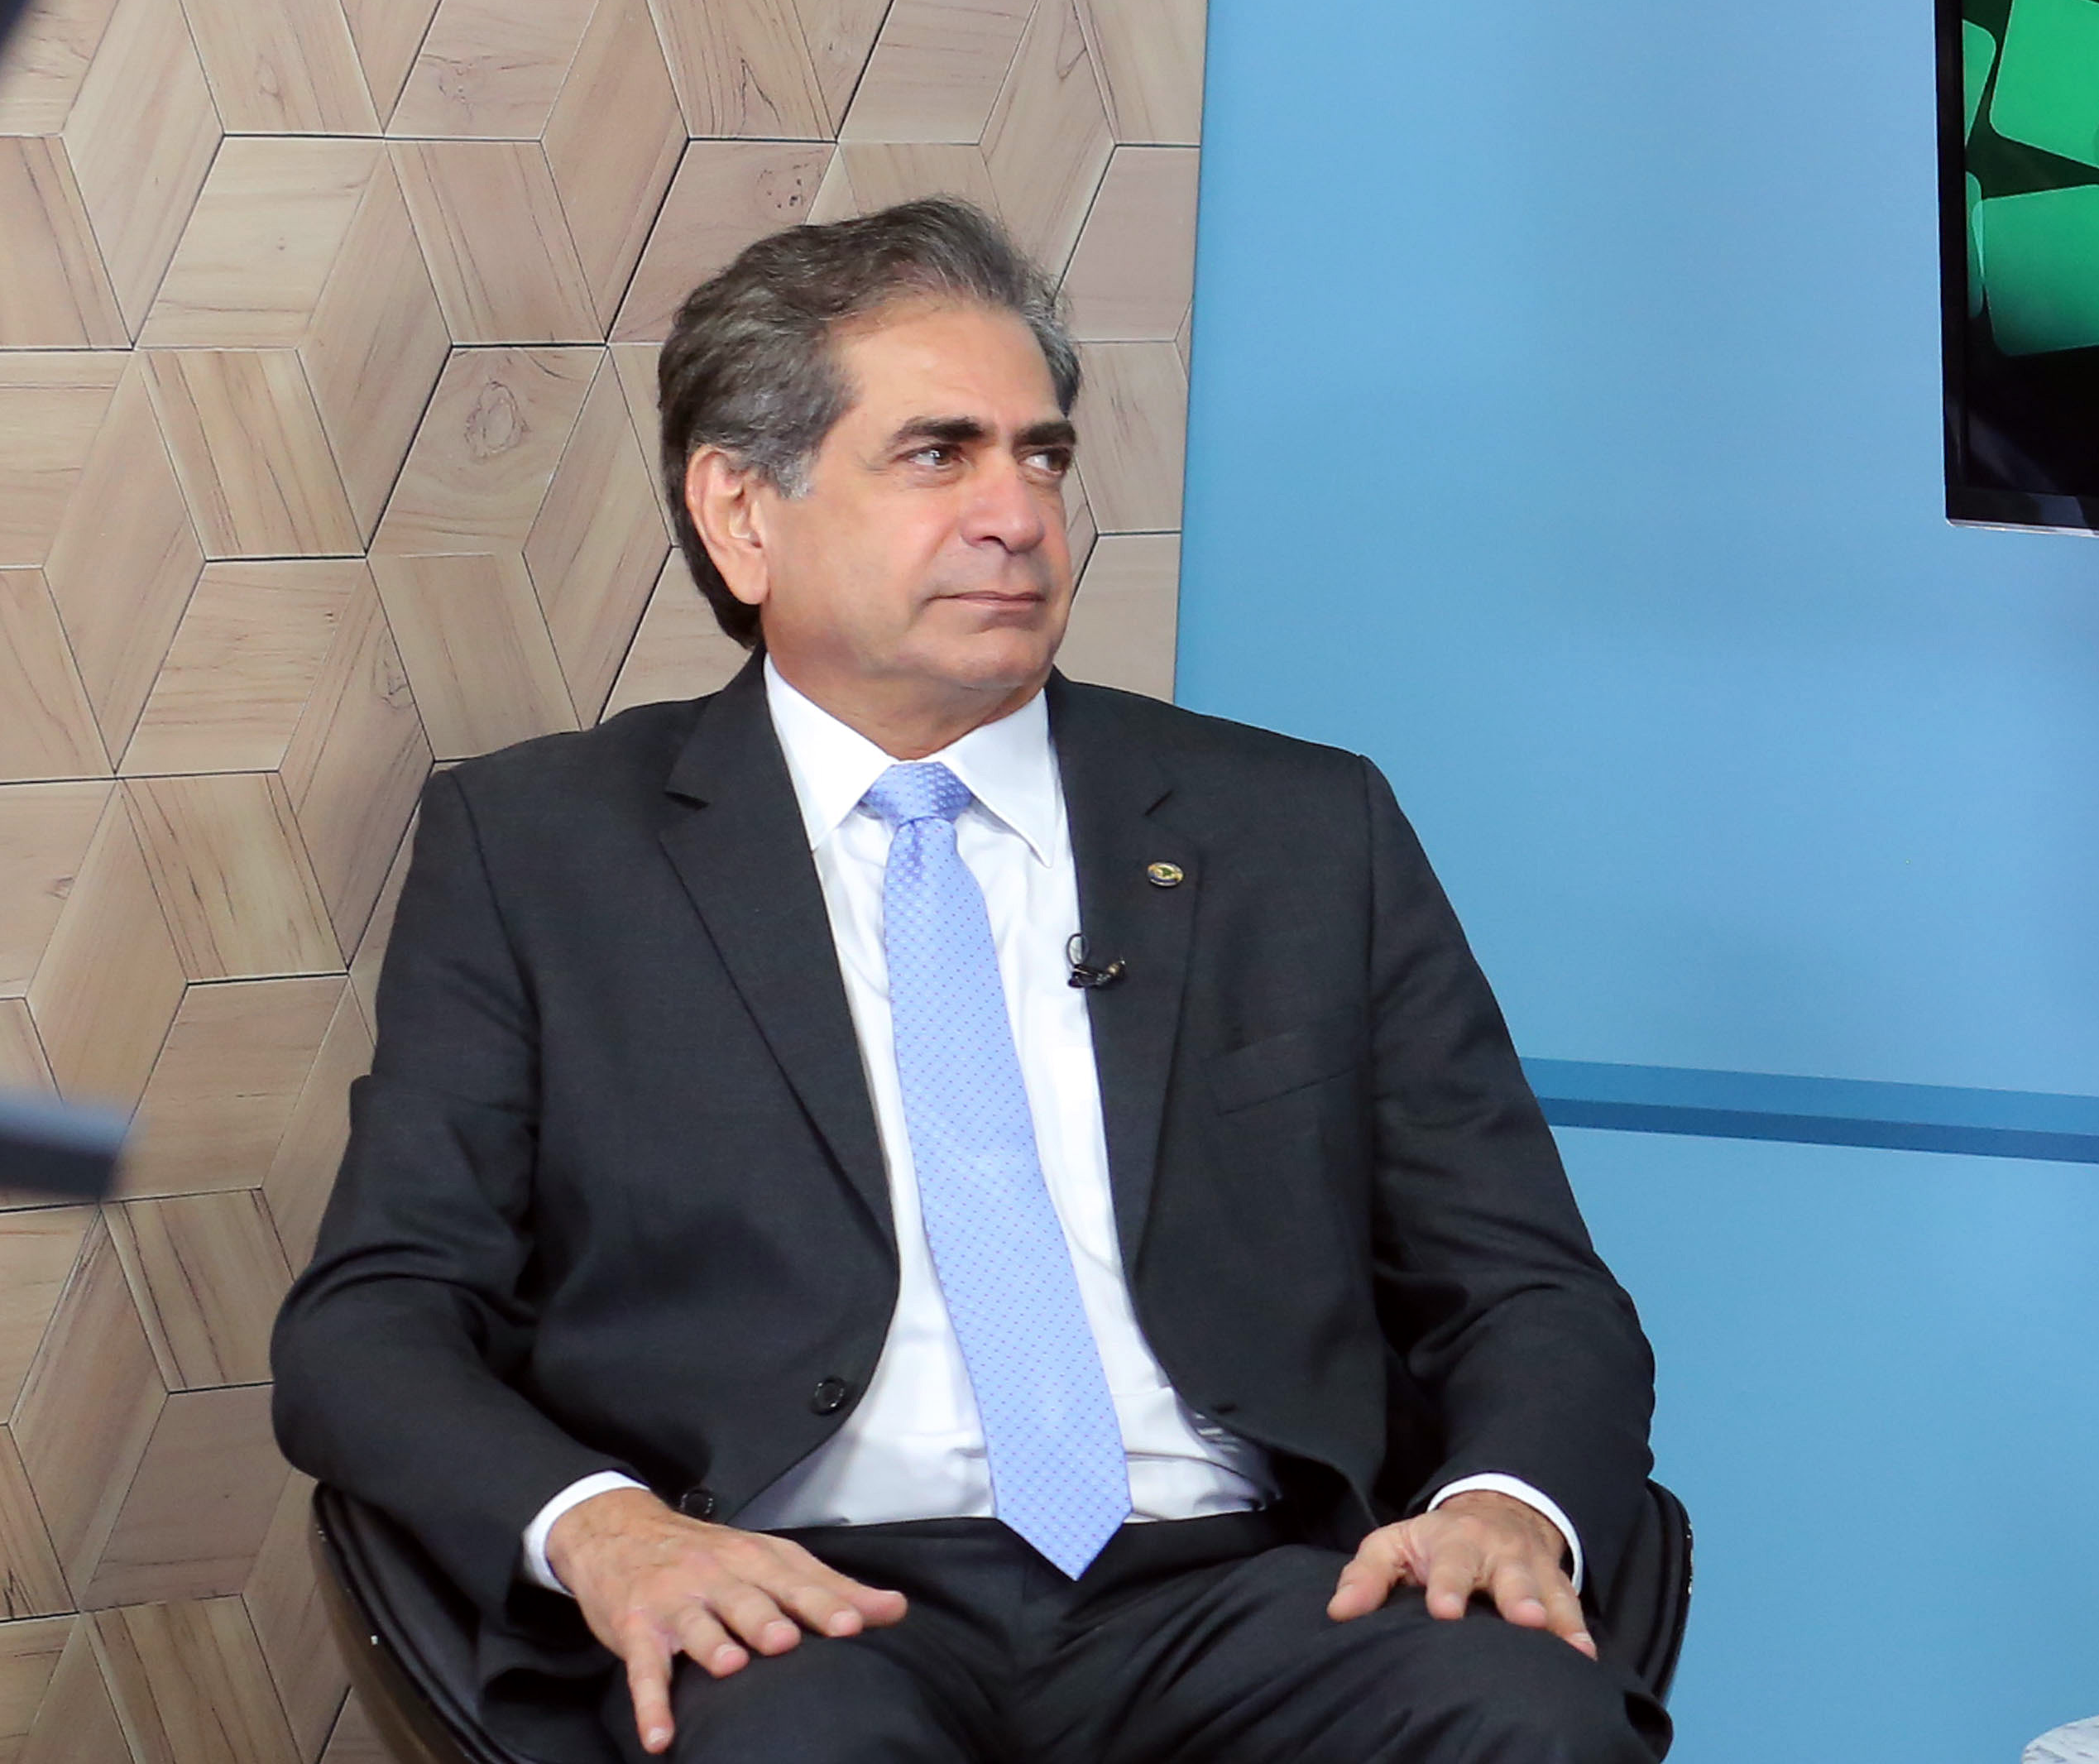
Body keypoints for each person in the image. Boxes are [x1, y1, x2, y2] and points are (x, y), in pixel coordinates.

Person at [271, 199, 1665, 1764]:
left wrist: (1502, 1501)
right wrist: (613, 1534)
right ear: (742, 512)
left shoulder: (1296, 829)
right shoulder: (543, 850)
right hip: (796, 1598)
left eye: (1043, 457)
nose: (1017, 515)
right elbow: (371, 1324)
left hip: (1248, 1588)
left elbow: (1529, 1286)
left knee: (1523, 1719)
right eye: (939, 455)